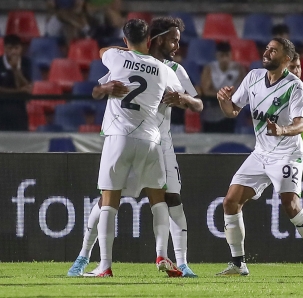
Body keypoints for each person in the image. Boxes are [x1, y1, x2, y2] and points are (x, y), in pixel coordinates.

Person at [68, 17, 202, 278]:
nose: (177, 44)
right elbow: (99, 89)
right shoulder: (164, 71)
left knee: (165, 198)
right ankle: (84, 255)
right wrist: (106, 87)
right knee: (148, 199)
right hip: (150, 140)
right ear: (156, 39)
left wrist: (182, 98)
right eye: (174, 39)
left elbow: (197, 105)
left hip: (148, 141)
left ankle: (178, 262)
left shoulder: (161, 65)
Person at [215, 37, 303, 276]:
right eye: (267, 49)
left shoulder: (294, 86)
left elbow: (300, 126)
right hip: (261, 153)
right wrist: (223, 102)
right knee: (230, 201)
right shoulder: (254, 77)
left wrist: (281, 130)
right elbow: (233, 111)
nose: (266, 53)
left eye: (273, 50)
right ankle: (238, 264)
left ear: (286, 59)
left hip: (287, 153)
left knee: (291, 205)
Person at [200, 41, 245, 133]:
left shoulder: (239, 69)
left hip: (229, 115)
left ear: (231, 55)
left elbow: (241, 90)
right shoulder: (209, 69)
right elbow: (205, 91)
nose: (224, 59)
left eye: (227, 55)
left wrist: (217, 92)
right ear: (217, 56)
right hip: (211, 113)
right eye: (221, 56)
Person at [0, 34, 32, 131]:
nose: (13, 51)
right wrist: (18, 91)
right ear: (5, 48)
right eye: (10, 48)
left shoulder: (26, 63)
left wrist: (16, 70)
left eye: (16, 48)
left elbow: (28, 91)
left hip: (19, 112)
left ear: (21, 48)